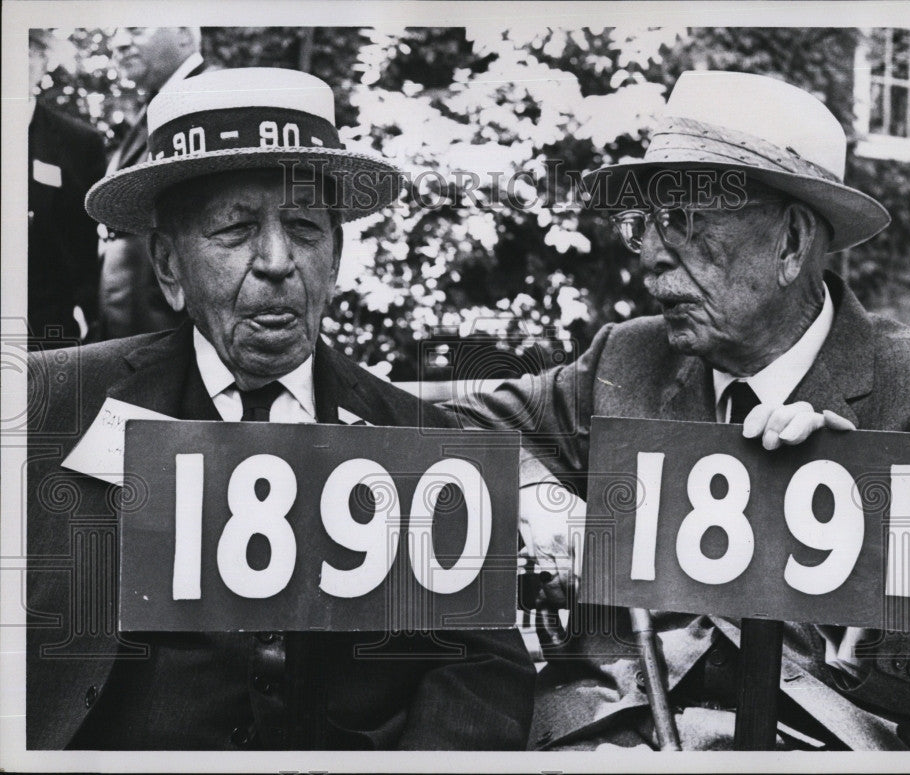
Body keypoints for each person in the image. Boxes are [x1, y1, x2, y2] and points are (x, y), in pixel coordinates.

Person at [445, 71, 910, 750]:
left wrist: (855, 544)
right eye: (647, 223)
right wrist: (546, 501)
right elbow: (454, 429)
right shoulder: (626, 358)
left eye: (688, 221)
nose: (654, 258)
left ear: (790, 242)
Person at [26, 67, 534, 751]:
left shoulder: (422, 441)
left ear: (337, 253)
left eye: (302, 226)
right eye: (235, 229)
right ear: (169, 267)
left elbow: (483, 669)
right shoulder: (52, 406)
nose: (276, 261)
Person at [97, 27, 209, 340]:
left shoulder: (208, 100)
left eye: (135, 29)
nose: (118, 41)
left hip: (174, 331)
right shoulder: (158, 106)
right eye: (116, 31)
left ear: (184, 34)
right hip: (133, 326)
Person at [28, 28, 106, 347]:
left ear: (44, 61)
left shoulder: (78, 142)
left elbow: (88, 239)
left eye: (24, 52)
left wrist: (86, 309)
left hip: (51, 326)